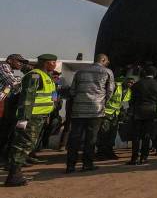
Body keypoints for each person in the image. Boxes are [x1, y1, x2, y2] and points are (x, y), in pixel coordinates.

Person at [4, 54, 58, 187]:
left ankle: (16, 172)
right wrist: (23, 118)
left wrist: (51, 110)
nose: (55, 65)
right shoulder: (35, 75)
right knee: (22, 144)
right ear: (45, 63)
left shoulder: (48, 77)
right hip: (31, 117)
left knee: (29, 145)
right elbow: (27, 98)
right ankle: (13, 175)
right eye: (52, 62)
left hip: (41, 116)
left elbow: (53, 94)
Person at [66, 53, 114, 173]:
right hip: (96, 111)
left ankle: (70, 165)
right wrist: (102, 102)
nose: (107, 63)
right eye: (106, 61)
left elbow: (72, 91)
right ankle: (87, 164)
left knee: (75, 138)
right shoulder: (107, 72)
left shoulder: (80, 72)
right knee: (91, 138)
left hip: (78, 110)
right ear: (103, 60)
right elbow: (110, 91)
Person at [128, 65, 157, 165]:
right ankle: (144, 157)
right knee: (147, 135)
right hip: (151, 112)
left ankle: (134, 158)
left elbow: (132, 100)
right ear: (154, 74)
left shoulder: (137, 85)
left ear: (145, 73)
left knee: (136, 136)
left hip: (138, 112)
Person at [97, 75, 135, 160]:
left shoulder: (129, 91)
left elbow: (124, 104)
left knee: (112, 134)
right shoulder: (116, 86)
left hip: (115, 115)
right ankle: (100, 152)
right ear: (125, 81)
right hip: (106, 113)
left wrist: (124, 114)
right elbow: (104, 98)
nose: (130, 84)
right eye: (129, 81)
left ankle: (109, 151)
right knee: (104, 133)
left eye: (132, 83)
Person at [0, 54, 28, 162]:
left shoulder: (10, 71)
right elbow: (13, 83)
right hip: (2, 104)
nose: (20, 64)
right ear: (10, 60)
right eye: (19, 61)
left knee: (5, 131)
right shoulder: (4, 67)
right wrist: (24, 79)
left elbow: (9, 89)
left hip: (5, 104)